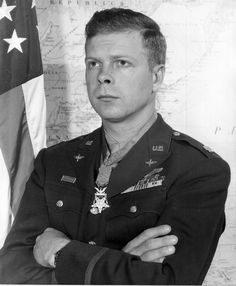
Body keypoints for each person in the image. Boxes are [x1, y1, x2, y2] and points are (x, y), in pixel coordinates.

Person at [0, 8, 230, 285]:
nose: (103, 76)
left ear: (156, 77)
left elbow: (171, 281)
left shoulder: (198, 170)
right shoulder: (52, 162)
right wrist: (123, 262)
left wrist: (61, 252)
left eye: (121, 63)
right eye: (94, 63)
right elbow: (11, 271)